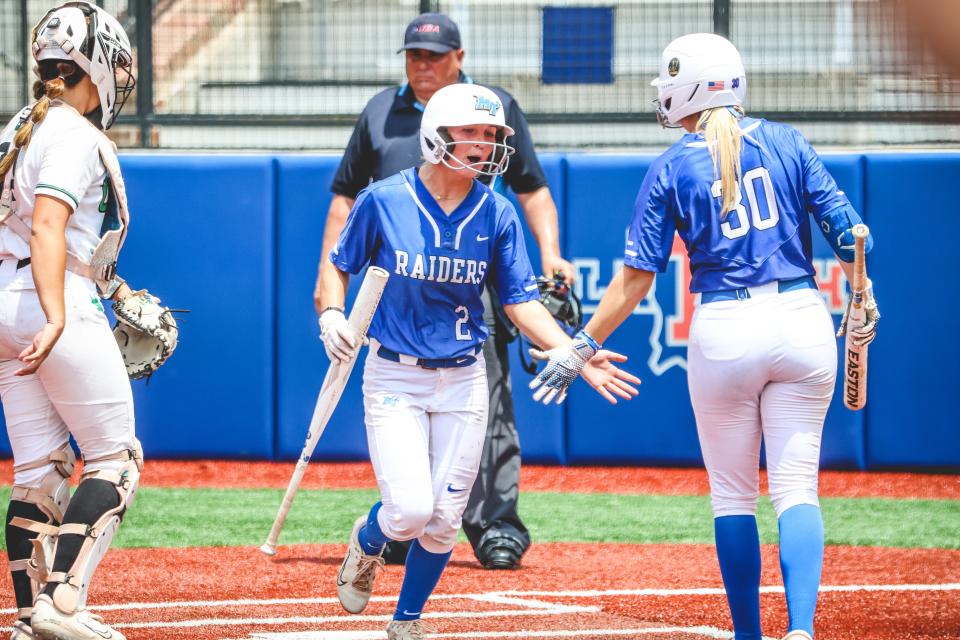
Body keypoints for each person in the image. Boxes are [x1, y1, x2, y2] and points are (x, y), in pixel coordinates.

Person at [573, 33, 879, 640]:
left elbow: (636, 280)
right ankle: (801, 630)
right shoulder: (788, 141)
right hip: (801, 317)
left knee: (733, 498)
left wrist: (582, 342)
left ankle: (747, 636)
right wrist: (865, 295)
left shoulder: (671, 165)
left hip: (725, 329)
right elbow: (850, 231)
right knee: (798, 490)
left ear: (692, 85)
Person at [317, 82, 639, 640]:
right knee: (410, 511)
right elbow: (337, 262)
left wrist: (575, 353)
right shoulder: (384, 199)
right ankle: (367, 543)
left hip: (465, 377)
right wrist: (331, 313)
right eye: (473, 133)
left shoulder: (497, 212)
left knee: (445, 520)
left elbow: (519, 303)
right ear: (437, 135)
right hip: (394, 372)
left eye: (492, 135)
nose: (486, 144)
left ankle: (408, 622)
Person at [315, 12, 574, 570]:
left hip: (471, 276)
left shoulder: (490, 109)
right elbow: (344, 196)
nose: (422, 64)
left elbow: (531, 188)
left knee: (487, 401)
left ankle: (494, 524)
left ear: (459, 57)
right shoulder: (381, 111)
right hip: (399, 283)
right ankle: (406, 523)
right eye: (414, 54)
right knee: (408, 405)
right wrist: (328, 288)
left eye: (434, 56)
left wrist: (549, 252)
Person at [0, 3, 145, 639]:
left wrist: (105, 289)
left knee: (39, 472)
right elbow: (49, 223)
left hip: (7, 300)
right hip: (48, 298)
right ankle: (65, 602)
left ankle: (32, 615)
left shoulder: (18, 127)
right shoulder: (75, 133)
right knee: (117, 457)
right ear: (97, 64)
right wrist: (58, 314)